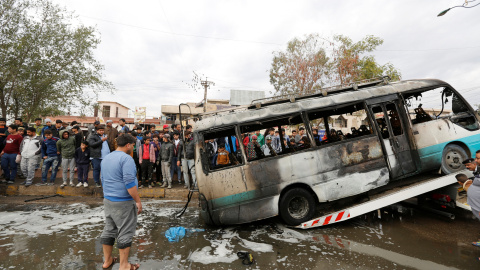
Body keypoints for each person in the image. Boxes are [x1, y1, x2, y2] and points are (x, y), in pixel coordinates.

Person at [100, 134, 141, 270]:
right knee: (125, 232)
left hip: (108, 200)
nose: (133, 148)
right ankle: (124, 266)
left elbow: (103, 179)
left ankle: (107, 260)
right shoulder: (126, 159)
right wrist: (138, 201)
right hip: (123, 202)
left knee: (109, 229)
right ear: (128, 145)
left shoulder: (107, 157)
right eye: (133, 146)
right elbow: (129, 183)